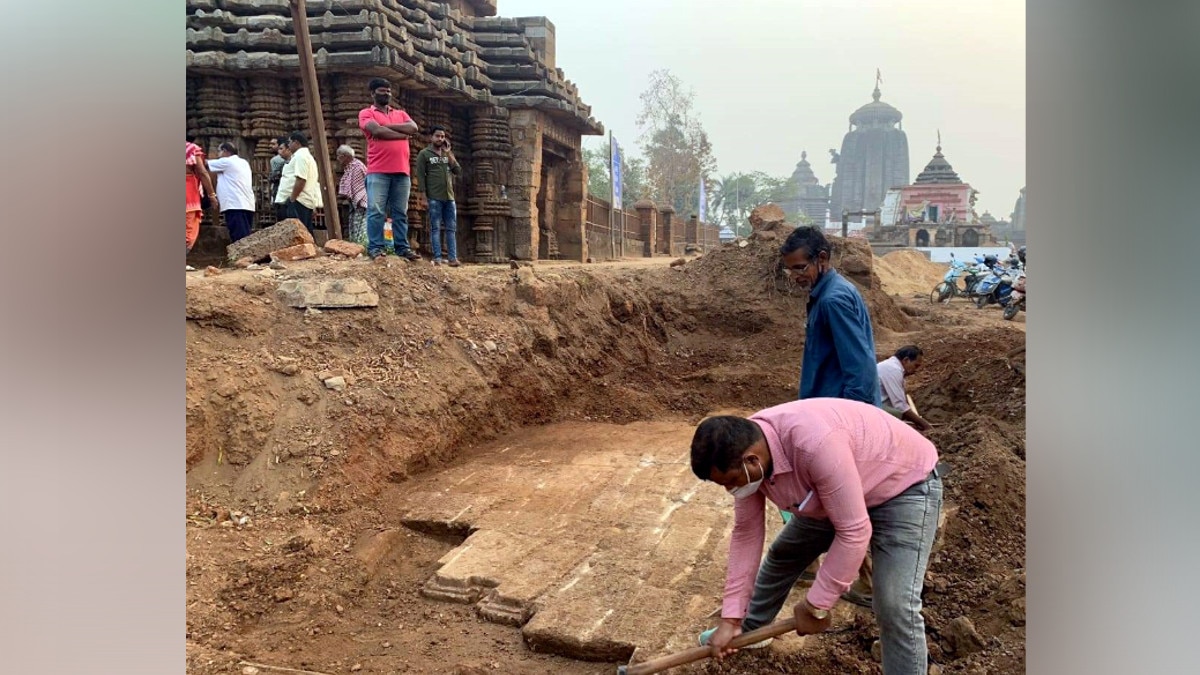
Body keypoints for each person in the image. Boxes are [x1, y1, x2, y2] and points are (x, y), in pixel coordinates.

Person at [691, 399, 942, 675]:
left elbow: (854, 531)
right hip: (834, 492)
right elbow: (746, 534)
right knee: (784, 554)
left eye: (730, 481)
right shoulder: (746, 450)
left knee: (895, 605)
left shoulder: (814, 444)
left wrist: (816, 605)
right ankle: (749, 630)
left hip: (903, 488)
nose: (729, 490)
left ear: (752, 460)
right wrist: (731, 617)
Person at [781, 226, 881, 406]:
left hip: (837, 411)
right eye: (789, 271)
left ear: (822, 258)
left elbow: (860, 368)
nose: (795, 277)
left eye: (800, 268)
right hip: (829, 406)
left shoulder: (833, 301)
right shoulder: (833, 291)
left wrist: (852, 416)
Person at [359, 77, 421, 262]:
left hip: (402, 172)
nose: (386, 93)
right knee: (376, 210)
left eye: (388, 90)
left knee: (400, 212)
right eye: (381, 90)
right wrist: (402, 135)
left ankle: (402, 248)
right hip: (378, 171)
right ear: (372, 93)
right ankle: (376, 247)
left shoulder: (401, 113)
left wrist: (386, 126)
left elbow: (414, 128)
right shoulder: (365, 113)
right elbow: (376, 131)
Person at [415, 125, 462, 266]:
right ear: (431, 137)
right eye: (437, 136)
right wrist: (423, 197)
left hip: (449, 197)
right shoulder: (424, 154)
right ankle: (437, 257)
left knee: (451, 228)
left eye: (442, 136)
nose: (440, 139)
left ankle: (452, 258)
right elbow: (420, 176)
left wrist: (450, 153)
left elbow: (458, 171)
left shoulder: (447, 154)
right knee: (435, 228)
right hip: (434, 197)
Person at [206, 142, 256, 243]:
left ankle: (242, 258)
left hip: (235, 204)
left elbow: (204, 163)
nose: (218, 155)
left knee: (239, 238)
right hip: (247, 205)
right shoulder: (243, 162)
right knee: (245, 235)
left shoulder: (227, 162)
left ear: (225, 151)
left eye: (219, 152)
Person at [275, 131, 322, 233]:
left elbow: (301, 179)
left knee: (296, 236)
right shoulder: (303, 156)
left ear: (296, 142)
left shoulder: (301, 156)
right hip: (300, 200)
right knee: (302, 234)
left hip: (298, 201)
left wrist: (292, 199)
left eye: (290, 142)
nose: (289, 145)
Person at [878, 346, 933, 432]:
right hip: (868, 406)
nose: (916, 370)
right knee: (897, 415)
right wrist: (925, 425)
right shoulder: (893, 370)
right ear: (906, 360)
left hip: (873, 403)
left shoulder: (892, 367)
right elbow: (900, 406)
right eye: (916, 365)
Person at [185, 139, 218, 270]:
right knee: (189, 229)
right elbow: (203, 172)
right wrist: (212, 195)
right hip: (187, 194)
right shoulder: (190, 149)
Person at [336, 145, 369, 247]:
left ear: (345, 156)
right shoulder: (349, 167)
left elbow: (361, 184)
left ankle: (361, 246)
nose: (337, 159)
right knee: (354, 225)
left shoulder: (357, 166)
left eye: (339, 156)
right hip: (354, 202)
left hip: (361, 201)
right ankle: (355, 246)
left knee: (360, 226)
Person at [273, 139, 294, 222]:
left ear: (288, 149)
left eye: (281, 149)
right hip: (281, 197)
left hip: (289, 198)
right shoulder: (282, 164)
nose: (279, 151)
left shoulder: (294, 162)